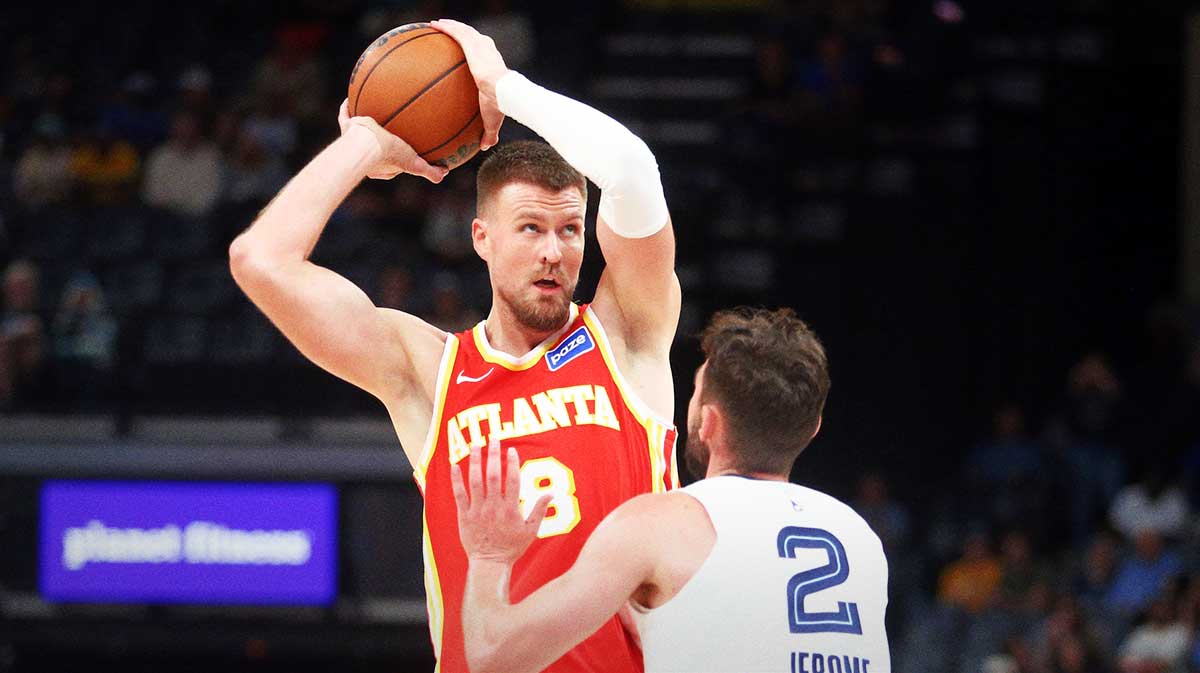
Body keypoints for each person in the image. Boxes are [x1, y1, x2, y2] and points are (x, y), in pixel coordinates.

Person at [228, 19, 680, 673]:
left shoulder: (624, 335)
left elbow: (633, 170)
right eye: (530, 227)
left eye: (570, 229)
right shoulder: (430, 369)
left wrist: (503, 86)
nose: (554, 251)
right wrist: (365, 141)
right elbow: (259, 260)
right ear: (481, 237)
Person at [452, 308, 890, 673]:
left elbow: (495, 658)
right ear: (812, 430)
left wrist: (490, 557)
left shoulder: (664, 525)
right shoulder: (861, 539)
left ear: (709, 423)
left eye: (697, 393)